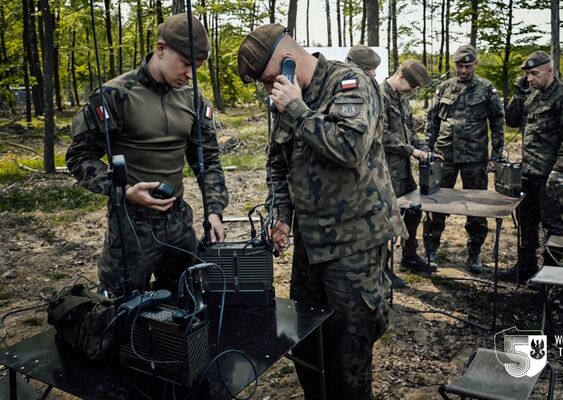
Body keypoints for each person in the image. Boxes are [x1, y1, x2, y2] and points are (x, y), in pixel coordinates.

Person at [237, 24, 406, 399]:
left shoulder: (351, 83)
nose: (269, 90)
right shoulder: (285, 98)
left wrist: (297, 108)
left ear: (286, 61)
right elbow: (276, 163)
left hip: (355, 243)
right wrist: (281, 214)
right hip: (311, 245)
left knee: (349, 349)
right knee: (306, 343)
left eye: (269, 80)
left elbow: (350, 148)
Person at [66, 13, 228, 297]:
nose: (191, 74)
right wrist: (123, 190)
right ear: (161, 48)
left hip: (179, 225)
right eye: (187, 64)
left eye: (198, 67)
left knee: (185, 306)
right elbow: (79, 157)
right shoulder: (114, 96)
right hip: (130, 227)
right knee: (122, 312)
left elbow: (208, 161)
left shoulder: (194, 100)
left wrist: (214, 211)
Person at [498, 50, 563, 283]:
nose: (530, 79)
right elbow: (512, 120)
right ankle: (525, 268)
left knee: (552, 226)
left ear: (550, 71)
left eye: (534, 74)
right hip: (527, 174)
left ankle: (551, 274)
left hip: (549, 175)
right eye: (527, 75)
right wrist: (518, 94)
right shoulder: (532, 97)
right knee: (526, 223)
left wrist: (559, 169)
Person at [425, 44, 505, 273]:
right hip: (445, 154)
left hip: (475, 156)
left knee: (476, 206)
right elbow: (433, 121)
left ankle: (474, 254)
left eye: (467, 66)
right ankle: (431, 250)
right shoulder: (444, 88)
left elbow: (498, 122)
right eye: (460, 66)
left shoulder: (486, 89)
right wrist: (428, 151)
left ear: (475, 65)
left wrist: (496, 154)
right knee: (436, 202)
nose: (463, 70)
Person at [382, 59, 438, 277]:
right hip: (384, 171)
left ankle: (409, 256)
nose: (412, 91)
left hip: (403, 170)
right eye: (412, 86)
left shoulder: (402, 100)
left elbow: (410, 132)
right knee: (386, 220)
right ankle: (383, 268)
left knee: (414, 210)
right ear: (401, 75)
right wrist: (411, 151)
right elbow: (381, 135)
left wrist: (423, 147)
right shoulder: (379, 96)